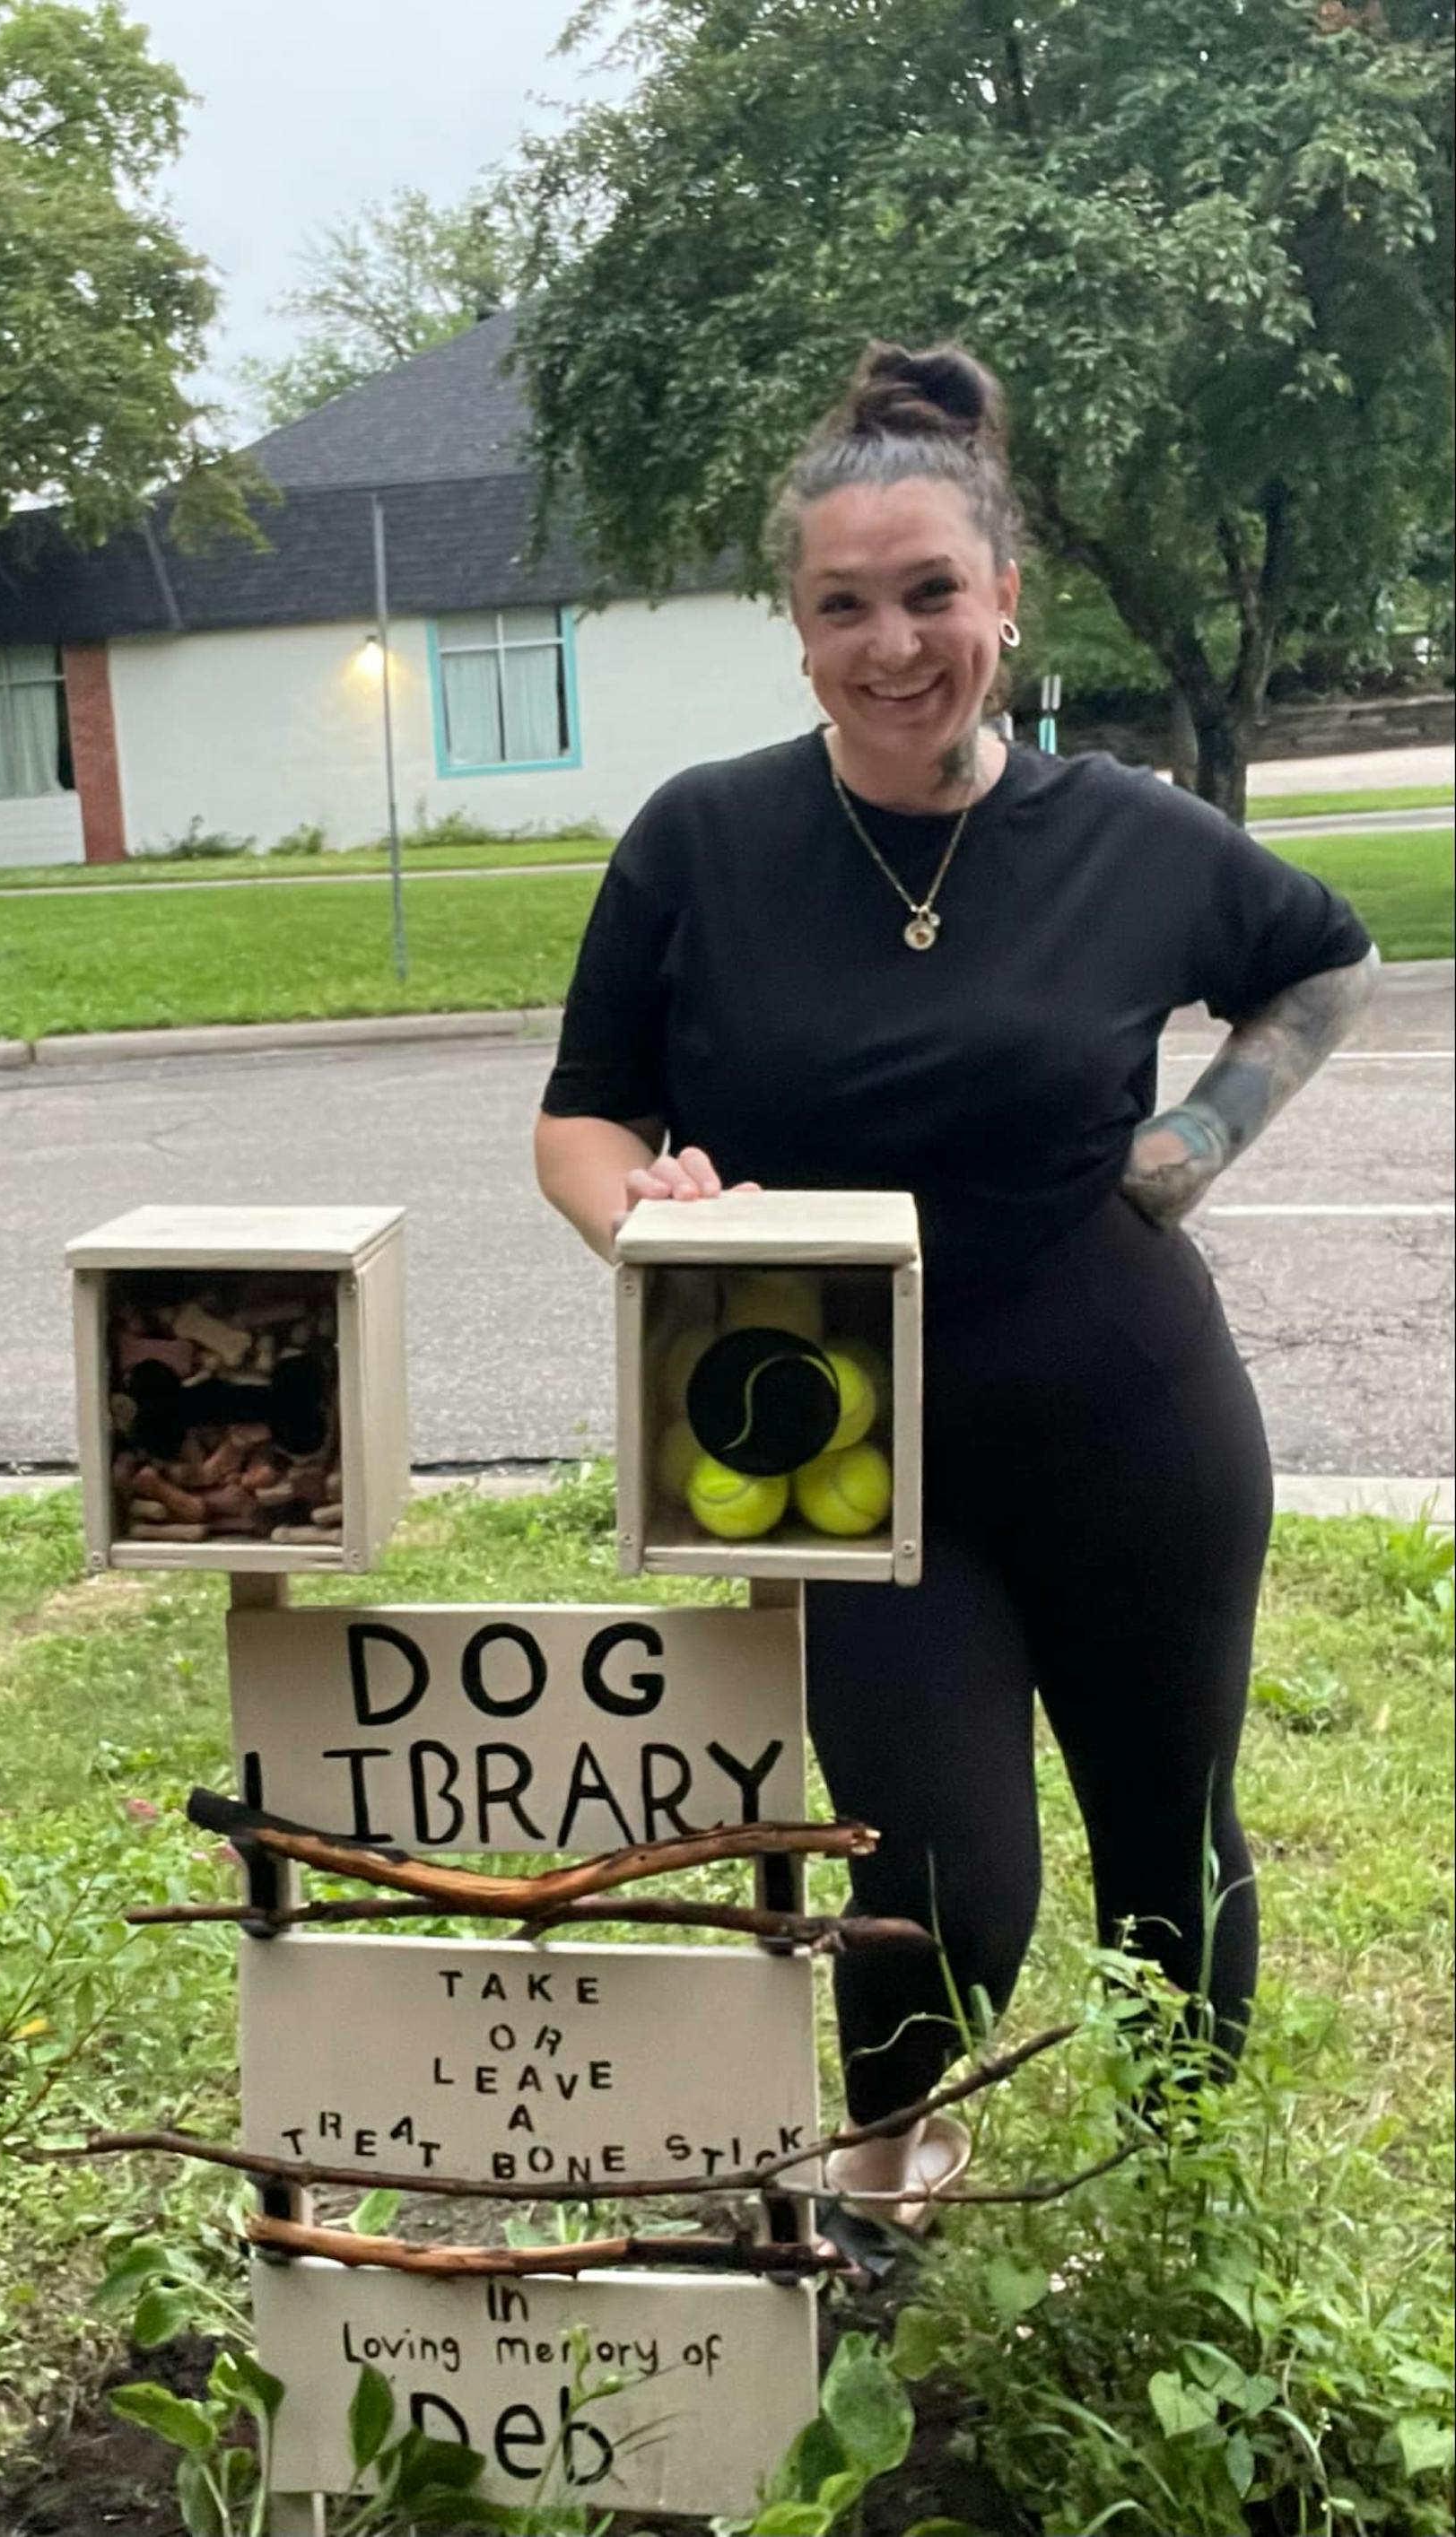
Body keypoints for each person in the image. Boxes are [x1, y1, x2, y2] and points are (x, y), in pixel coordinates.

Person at [533, 342, 1378, 2229]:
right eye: (845, 606)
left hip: (1127, 1416)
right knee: (937, 1874)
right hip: (828, 1436)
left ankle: (1182, 2201)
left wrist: (1197, 1146)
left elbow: (1325, 959)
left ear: (1008, 596)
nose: (893, 642)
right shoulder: (703, 842)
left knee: (1170, 1836)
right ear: (798, 625)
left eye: (932, 593)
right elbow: (582, 1120)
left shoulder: (1136, 838)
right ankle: (891, 2163)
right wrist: (651, 1222)